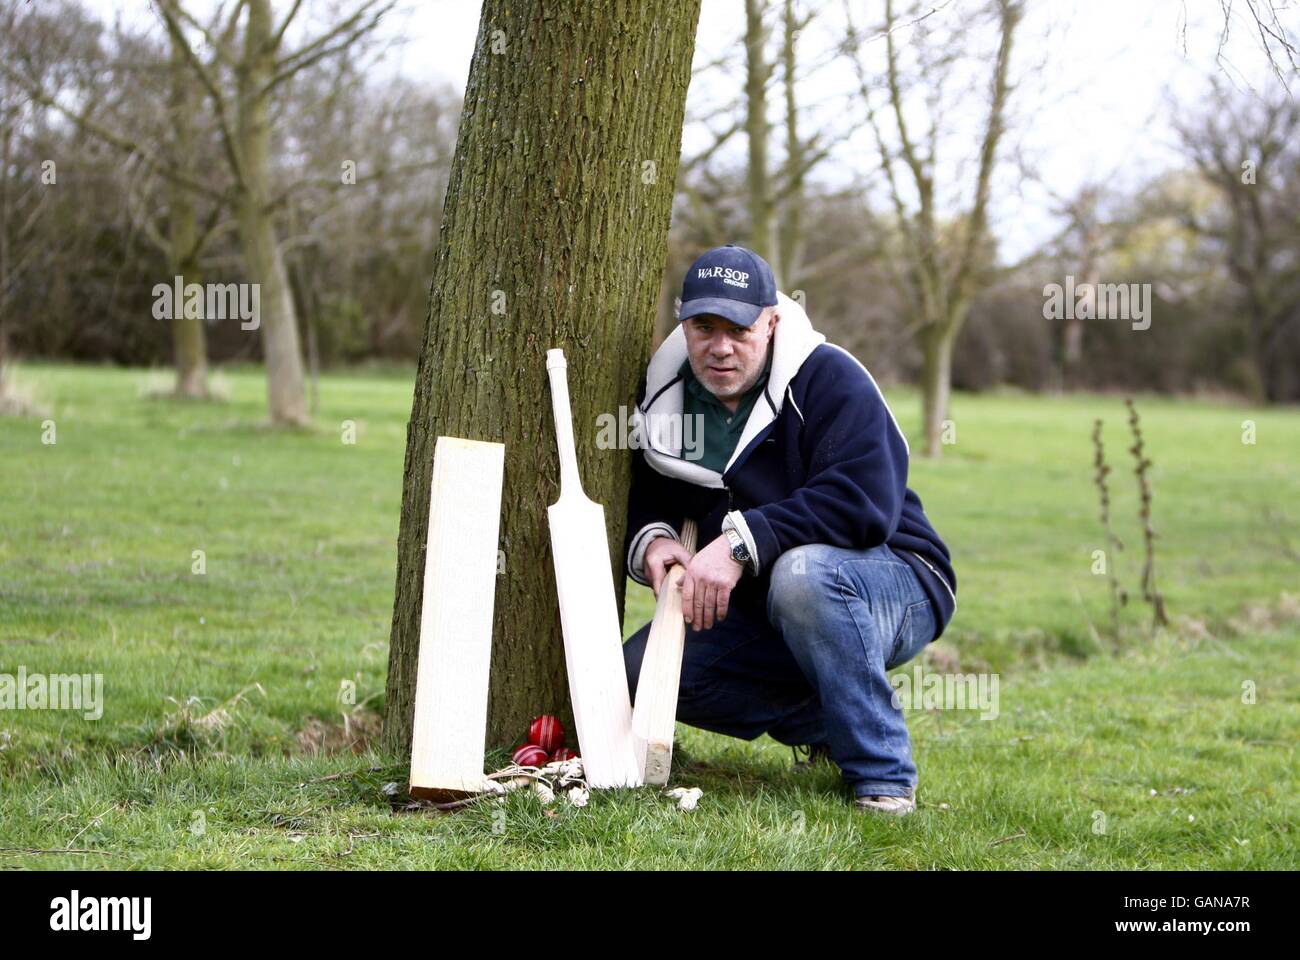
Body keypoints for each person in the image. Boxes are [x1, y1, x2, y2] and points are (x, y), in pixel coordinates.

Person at [621, 243, 956, 815]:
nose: (720, 348)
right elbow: (644, 496)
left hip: (895, 577)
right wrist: (654, 541)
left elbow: (865, 503)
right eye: (704, 327)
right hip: (766, 607)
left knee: (804, 575)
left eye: (739, 329)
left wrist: (738, 540)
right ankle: (832, 713)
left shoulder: (831, 379)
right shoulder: (665, 401)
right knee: (639, 674)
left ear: (771, 323)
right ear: (683, 323)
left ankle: (882, 776)